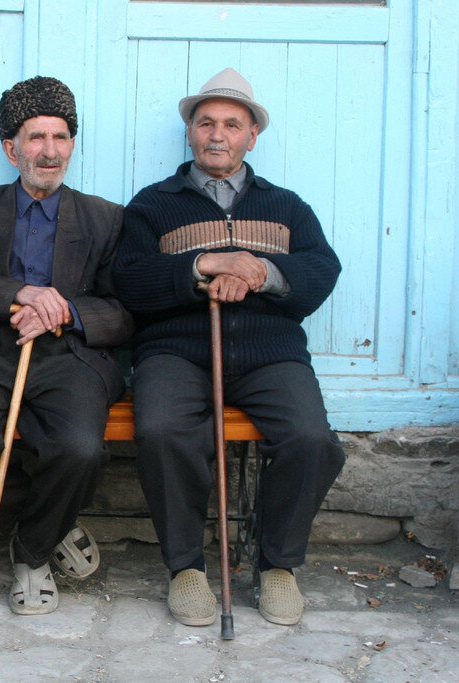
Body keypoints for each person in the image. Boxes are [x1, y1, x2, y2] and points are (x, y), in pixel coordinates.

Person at [113, 67, 345, 627]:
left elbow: (322, 269)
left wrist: (261, 272)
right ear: (190, 132)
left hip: (271, 352)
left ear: (252, 137)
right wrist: (203, 266)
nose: (218, 135)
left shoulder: (287, 206)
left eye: (232, 125)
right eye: (206, 123)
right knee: (162, 431)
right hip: (177, 351)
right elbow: (129, 280)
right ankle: (186, 568)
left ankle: (277, 565)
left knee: (312, 439)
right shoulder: (152, 205)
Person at [0, 76, 133, 615]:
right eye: (36, 138)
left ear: (72, 145)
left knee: (80, 450)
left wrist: (66, 311)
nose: (50, 151)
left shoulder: (106, 217)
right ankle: (45, 521)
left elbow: (124, 310)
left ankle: (31, 554)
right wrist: (21, 294)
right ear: (12, 150)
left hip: (69, 355)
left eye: (61, 137)